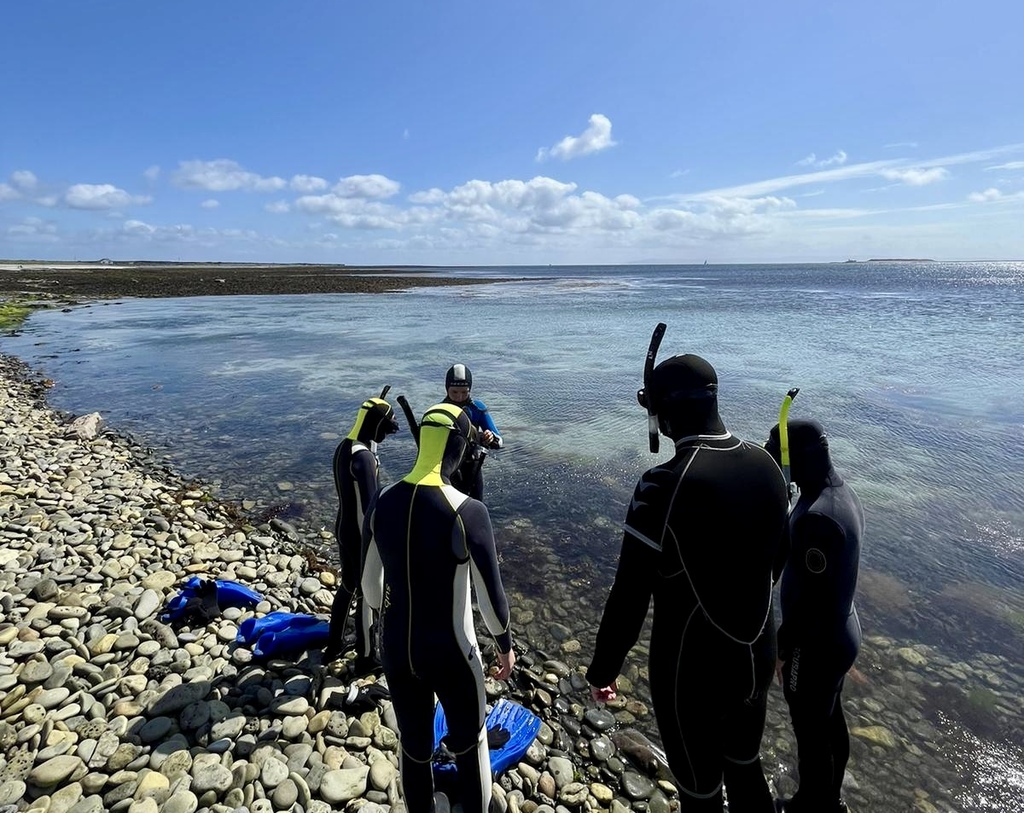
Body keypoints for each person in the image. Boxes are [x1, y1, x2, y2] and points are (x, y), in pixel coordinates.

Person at [586, 335, 790, 813]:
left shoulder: (662, 486)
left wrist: (603, 669)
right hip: (758, 653)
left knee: (701, 792)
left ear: (662, 412)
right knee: (745, 766)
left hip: (691, 668)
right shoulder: (768, 466)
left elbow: (629, 596)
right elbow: (778, 560)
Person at [361, 402, 515, 813]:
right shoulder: (469, 512)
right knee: (471, 743)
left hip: (395, 646)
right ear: (460, 448)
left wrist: (386, 618)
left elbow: (369, 588)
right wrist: (505, 645)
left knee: (414, 748)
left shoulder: (383, 501)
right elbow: (491, 600)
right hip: (450, 653)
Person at [765, 419, 862, 813]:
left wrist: (783, 649)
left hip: (817, 641)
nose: (775, 467)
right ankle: (831, 799)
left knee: (810, 728)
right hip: (840, 631)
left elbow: (811, 601)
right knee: (829, 718)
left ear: (796, 460)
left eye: (778, 458)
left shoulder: (818, 517)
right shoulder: (838, 493)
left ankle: (811, 805)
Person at [323, 391, 399, 666]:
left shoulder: (346, 446)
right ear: (376, 427)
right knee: (367, 592)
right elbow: (371, 505)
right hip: (360, 535)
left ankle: (334, 644)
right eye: (385, 430)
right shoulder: (364, 458)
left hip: (343, 527)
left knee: (347, 586)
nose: (386, 436)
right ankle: (366, 655)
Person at [442, 363, 502, 501]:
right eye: (454, 392)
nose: (459, 397)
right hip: (446, 471)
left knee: (476, 509)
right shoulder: (440, 410)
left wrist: (490, 437)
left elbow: (499, 440)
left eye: (464, 392)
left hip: (472, 468)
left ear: (470, 389)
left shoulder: (477, 408)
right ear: (447, 389)